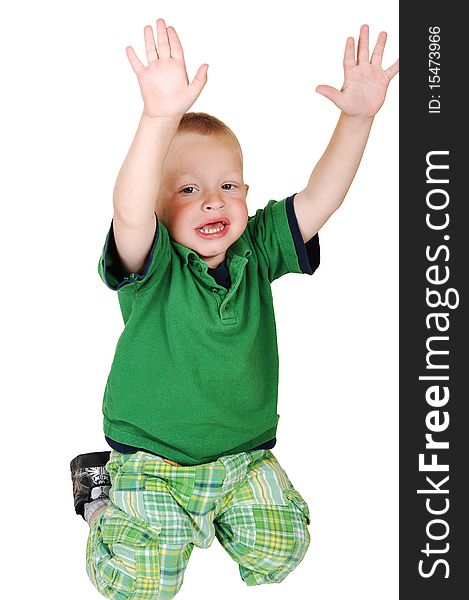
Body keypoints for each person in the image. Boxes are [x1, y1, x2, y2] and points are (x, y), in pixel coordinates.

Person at [70, 17, 399, 599]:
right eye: (188, 189)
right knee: (141, 586)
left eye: (229, 185)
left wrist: (357, 120)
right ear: (159, 207)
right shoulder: (152, 261)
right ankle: (102, 499)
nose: (213, 201)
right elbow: (129, 210)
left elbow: (321, 197)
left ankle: (210, 520)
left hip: (242, 458)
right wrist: (157, 118)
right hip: (152, 459)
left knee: (282, 553)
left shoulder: (259, 245)